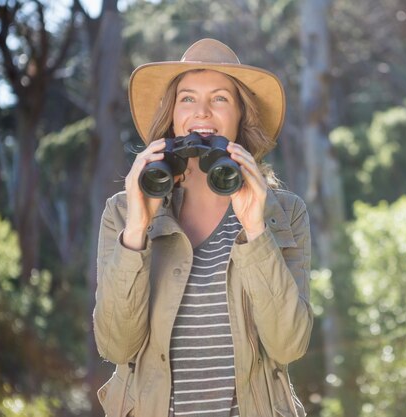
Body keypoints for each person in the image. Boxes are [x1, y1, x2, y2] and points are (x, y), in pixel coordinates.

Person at [93, 38, 313, 417]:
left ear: (242, 114)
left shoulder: (285, 212)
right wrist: (137, 229)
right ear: (173, 113)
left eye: (220, 99)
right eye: (188, 98)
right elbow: (116, 346)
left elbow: (288, 345)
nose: (203, 112)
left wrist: (256, 229)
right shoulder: (122, 212)